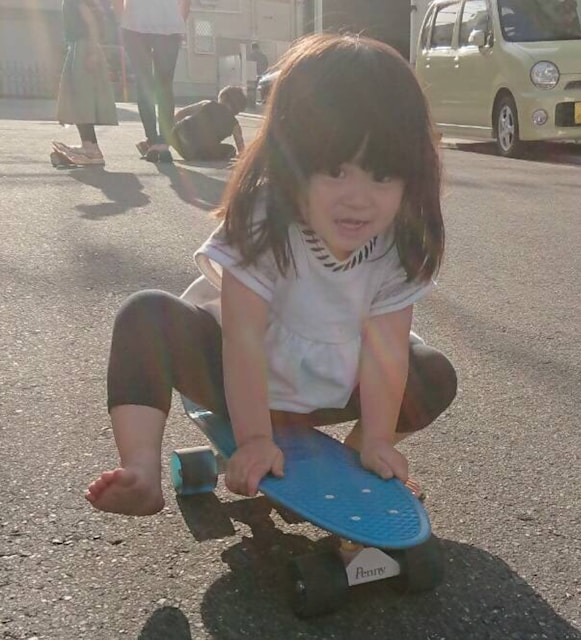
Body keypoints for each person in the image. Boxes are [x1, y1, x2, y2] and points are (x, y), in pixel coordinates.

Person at [85, 33, 458, 516]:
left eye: (383, 176)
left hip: (331, 387)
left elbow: (387, 355)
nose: (359, 198)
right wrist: (255, 439)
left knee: (433, 372)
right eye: (336, 171)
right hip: (235, 377)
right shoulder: (265, 221)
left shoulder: (396, 243)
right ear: (290, 160)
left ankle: (353, 461)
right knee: (146, 315)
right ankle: (140, 471)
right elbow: (242, 339)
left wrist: (379, 439)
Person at [112, 0, 190, 163]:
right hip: (168, 25)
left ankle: (153, 140)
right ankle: (163, 143)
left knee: (144, 85)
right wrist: (180, 22)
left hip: (135, 24)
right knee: (164, 86)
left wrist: (122, 21)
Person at [53, 0, 118, 165]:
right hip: (79, 48)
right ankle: (89, 145)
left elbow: (91, 23)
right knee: (78, 99)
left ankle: (91, 149)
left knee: (80, 99)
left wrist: (92, 52)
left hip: (83, 49)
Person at [171, 86, 246, 161]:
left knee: (182, 128)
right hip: (196, 152)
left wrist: (171, 127)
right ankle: (202, 155)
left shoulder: (207, 104)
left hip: (177, 138)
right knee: (230, 149)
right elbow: (241, 147)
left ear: (223, 97)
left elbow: (181, 113)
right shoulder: (234, 125)